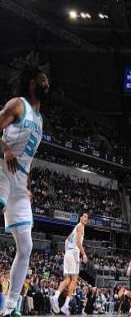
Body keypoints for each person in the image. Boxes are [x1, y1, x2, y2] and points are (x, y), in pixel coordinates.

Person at [0, 57, 49, 317]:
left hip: (19, 181)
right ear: (32, 83)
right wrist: (5, 149)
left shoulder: (40, 119)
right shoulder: (17, 105)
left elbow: (28, 156)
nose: (47, 84)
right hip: (1, 168)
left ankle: (10, 307)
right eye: (43, 80)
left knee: (27, 246)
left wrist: (27, 184)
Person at [51, 213, 89, 316]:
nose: (86, 219)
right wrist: (84, 254)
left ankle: (56, 296)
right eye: (85, 216)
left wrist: (67, 251)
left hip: (68, 253)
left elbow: (66, 240)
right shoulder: (81, 226)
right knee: (74, 280)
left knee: (67, 279)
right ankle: (65, 305)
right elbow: (78, 242)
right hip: (74, 253)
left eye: (87, 218)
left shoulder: (75, 228)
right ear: (80, 218)